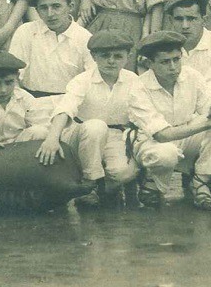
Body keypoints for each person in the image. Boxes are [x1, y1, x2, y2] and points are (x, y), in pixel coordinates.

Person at [127, 31, 211, 210]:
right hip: (152, 143)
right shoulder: (138, 88)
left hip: (186, 135)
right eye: (165, 62)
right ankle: (152, 182)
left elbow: (207, 107)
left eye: (176, 59)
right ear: (150, 64)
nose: (173, 67)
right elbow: (162, 135)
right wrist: (207, 123)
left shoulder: (191, 75)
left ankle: (201, 180)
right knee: (166, 154)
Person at [36, 31, 140, 208]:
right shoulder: (82, 80)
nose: (111, 61)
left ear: (127, 57)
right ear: (93, 56)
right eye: (105, 56)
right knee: (96, 127)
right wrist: (52, 138)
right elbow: (65, 109)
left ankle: (108, 186)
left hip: (116, 136)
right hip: (82, 135)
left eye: (118, 56)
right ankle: (90, 184)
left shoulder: (134, 80)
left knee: (123, 173)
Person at [7, 0, 92, 96]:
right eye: (43, 8)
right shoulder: (26, 32)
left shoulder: (84, 37)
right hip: (31, 99)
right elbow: (13, 74)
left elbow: (91, 79)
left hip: (70, 100)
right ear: (37, 11)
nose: (50, 14)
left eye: (56, 6)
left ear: (70, 7)